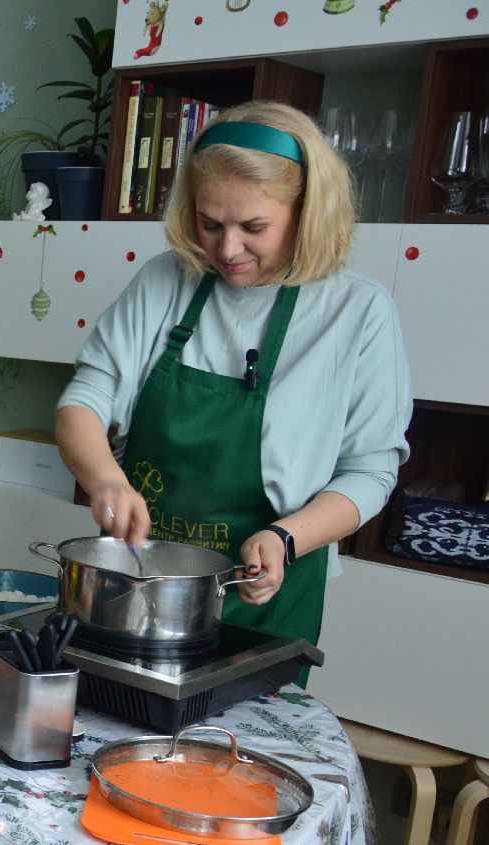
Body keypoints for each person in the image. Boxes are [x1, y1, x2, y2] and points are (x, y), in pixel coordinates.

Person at [55, 100, 412, 646]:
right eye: (210, 223)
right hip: (133, 583)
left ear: (307, 211)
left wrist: (286, 538)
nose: (227, 248)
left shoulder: (358, 311)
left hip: (264, 596)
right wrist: (105, 480)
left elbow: (371, 471)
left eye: (254, 227)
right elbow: (84, 401)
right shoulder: (164, 281)